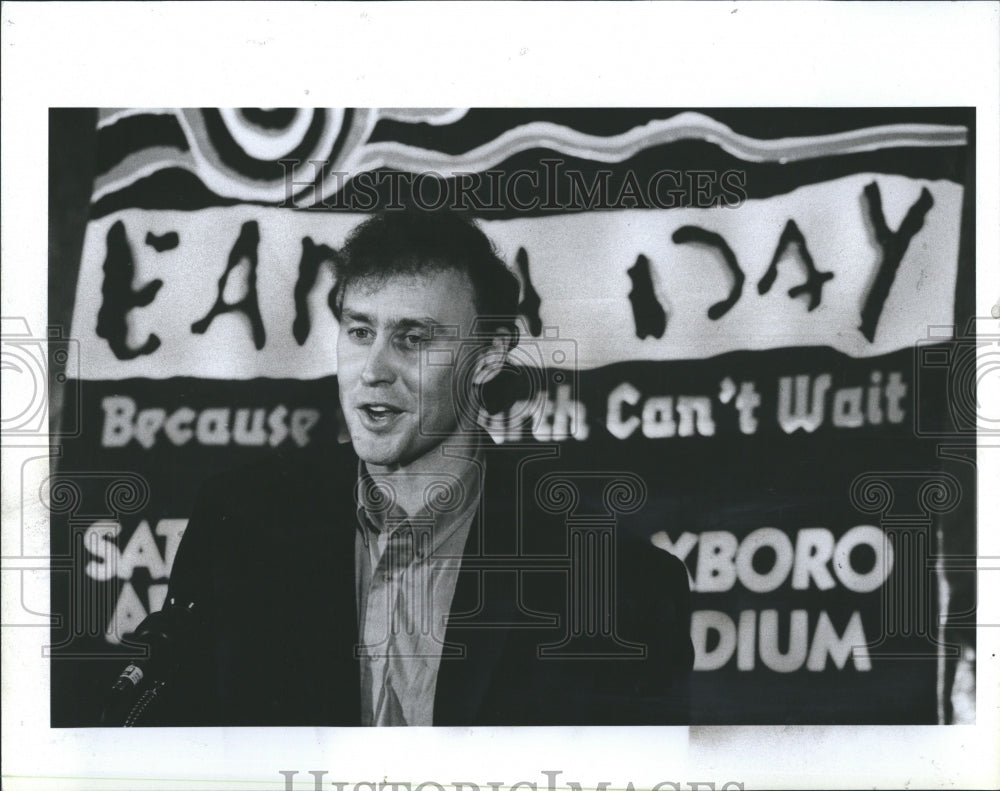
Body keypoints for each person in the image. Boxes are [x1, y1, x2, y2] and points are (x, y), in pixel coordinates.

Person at [145, 208, 693, 726]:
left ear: (489, 356)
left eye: (412, 339)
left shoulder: (620, 585)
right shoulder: (238, 522)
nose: (374, 371)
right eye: (360, 332)